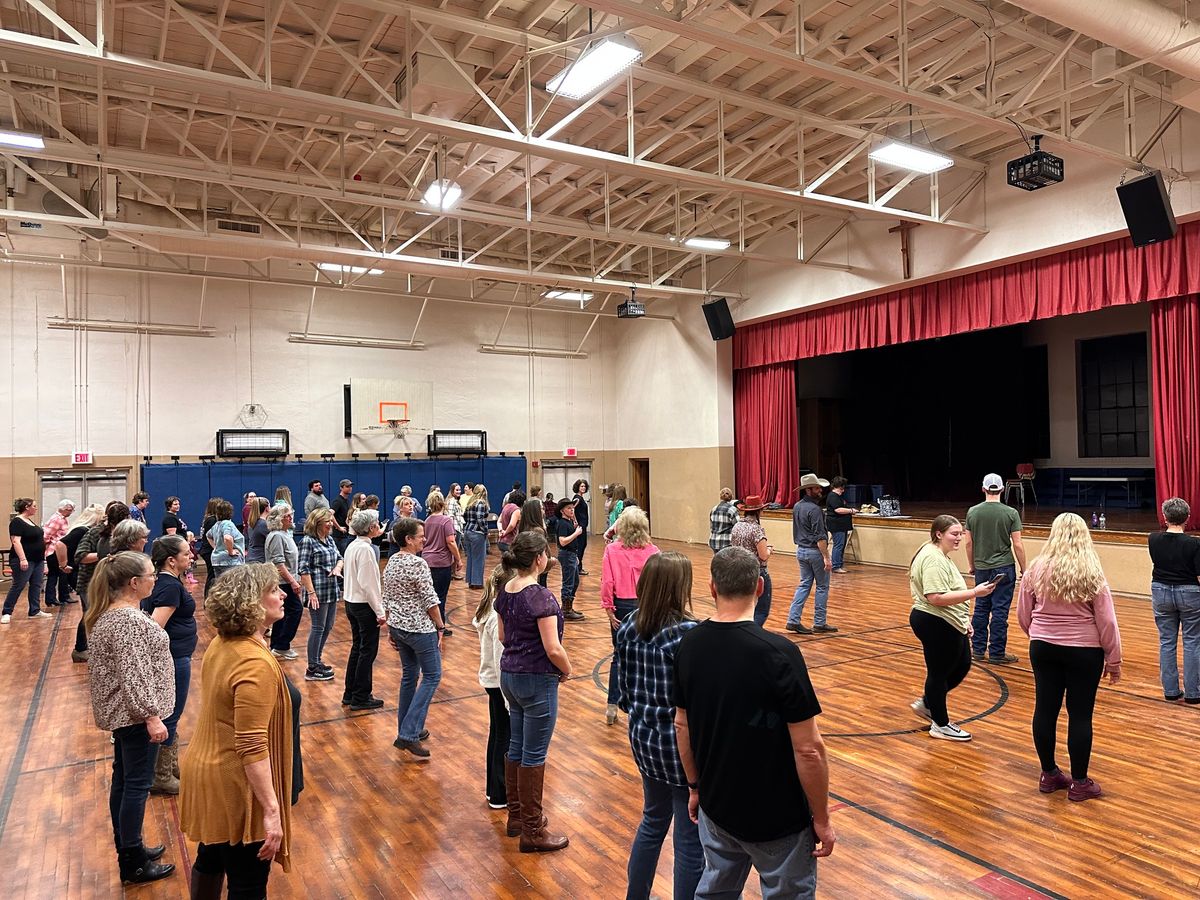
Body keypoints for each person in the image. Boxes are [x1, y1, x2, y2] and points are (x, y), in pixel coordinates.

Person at [673, 547, 834, 898]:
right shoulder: (779, 653)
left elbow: (681, 726)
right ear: (759, 587)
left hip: (716, 807)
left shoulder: (689, 644)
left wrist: (695, 787)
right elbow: (808, 749)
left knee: (715, 890)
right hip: (778, 818)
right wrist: (821, 818)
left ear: (712, 587)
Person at [180, 563, 301, 898]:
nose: (282, 594)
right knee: (247, 883)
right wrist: (272, 810)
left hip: (207, 769)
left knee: (212, 857)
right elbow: (251, 745)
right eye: (273, 590)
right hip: (235, 783)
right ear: (252, 602)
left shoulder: (222, 643)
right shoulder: (253, 661)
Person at [85, 551, 176, 885]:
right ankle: (133, 859)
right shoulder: (127, 621)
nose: (156, 579)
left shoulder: (116, 614)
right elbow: (134, 673)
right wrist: (151, 715)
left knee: (124, 780)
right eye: (151, 575)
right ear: (134, 583)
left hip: (128, 716)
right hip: (136, 717)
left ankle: (129, 845)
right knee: (135, 785)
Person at [1018, 512, 1122, 801]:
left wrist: (1040, 635)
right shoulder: (1091, 571)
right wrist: (1114, 659)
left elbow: (1023, 615)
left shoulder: (1035, 568)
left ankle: (1049, 774)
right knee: (1080, 715)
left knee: (1045, 709)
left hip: (1043, 648)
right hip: (1084, 652)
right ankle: (1079, 783)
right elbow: (1107, 622)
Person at [616, 551, 702, 900]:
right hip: (679, 747)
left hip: (643, 738)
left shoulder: (627, 627)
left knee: (652, 821)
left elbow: (624, 692)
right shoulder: (687, 634)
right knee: (689, 839)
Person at [495, 531, 572, 853]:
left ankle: (516, 819)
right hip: (537, 679)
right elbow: (553, 648)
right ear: (539, 559)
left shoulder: (506, 591)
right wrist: (566, 670)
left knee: (516, 745)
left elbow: (501, 637)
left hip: (509, 675)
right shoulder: (540, 597)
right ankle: (533, 831)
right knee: (534, 753)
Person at [909, 515, 997, 742]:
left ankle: (929, 702)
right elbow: (935, 597)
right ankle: (940, 723)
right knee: (938, 673)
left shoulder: (938, 553)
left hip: (948, 620)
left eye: (961, 533)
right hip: (934, 621)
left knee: (962, 664)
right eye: (954, 534)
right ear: (939, 534)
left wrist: (963, 618)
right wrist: (975, 593)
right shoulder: (933, 559)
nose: (959, 538)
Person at [383, 517, 445, 759]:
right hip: (420, 629)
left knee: (410, 675)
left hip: (400, 627)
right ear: (408, 539)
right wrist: (440, 626)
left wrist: (391, 628)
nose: (424, 539)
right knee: (432, 676)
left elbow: (387, 597)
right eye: (420, 536)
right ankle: (409, 733)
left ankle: (408, 728)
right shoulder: (418, 564)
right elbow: (430, 600)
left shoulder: (391, 562)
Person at [142, 535, 197, 796]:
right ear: (172, 561)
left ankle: (170, 767)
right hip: (173, 659)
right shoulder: (169, 587)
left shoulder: (169, 583)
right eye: (187, 554)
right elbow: (154, 628)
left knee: (173, 714)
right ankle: (160, 775)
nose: (192, 557)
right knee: (170, 715)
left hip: (178, 655)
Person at [601, 507, 660, 726]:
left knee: (619, 655)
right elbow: (658, 583)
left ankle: (612, 706)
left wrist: (608, 608)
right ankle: (643, 703)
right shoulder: (654, 551)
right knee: (647, 654)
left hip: (622, 606)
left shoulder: (612, 551)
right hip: (646, 604)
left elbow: (607, 582)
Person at [965, 473, 1026, 664]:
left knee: (981, 608)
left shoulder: (972, 512)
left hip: (982, 567)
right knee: (1000, 611)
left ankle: (977, 650)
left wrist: (972, 565)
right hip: (1004, 568)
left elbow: (968, 543)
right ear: (1001, 490)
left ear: (983, 489)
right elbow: (1017, 544)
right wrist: (1025, 568)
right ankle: (997, 653)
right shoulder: (1011, 513)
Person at [1148, 497, 1200, 704]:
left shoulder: (1153, 538)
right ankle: (1194, 693)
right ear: (1187, 518)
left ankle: (1170, 690)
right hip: (1189, 592)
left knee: (1167, 641)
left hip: (1160, 590)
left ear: (1165, 517)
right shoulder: (1194, 543)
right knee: (1192, 641)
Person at [72, 502, 131, 661]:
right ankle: (86, 651)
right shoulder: (94, 533)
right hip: (90, 583)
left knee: (99, 617)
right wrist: (104, 555)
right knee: (92, 616)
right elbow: (80, 556)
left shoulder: (123, 535)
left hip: (110, 583)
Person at [473, 564, 510, 811]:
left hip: (492, 682)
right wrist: (509, 699)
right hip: (497, 684)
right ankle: (500, 792)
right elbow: (499, 659)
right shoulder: (497, 618)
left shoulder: (491, 607)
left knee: (497, 734)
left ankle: (493, 791)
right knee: (503, 737)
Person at [343, 509, 386, 710]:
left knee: (357, 648)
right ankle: (361, 696)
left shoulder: (353, 546)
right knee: (367, 651)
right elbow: (369, 584)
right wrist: (380, 612)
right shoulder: (366, 550)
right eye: (377, 524)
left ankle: (350, 693)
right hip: (363, 606)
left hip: (351, 602)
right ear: (371, 528)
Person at [297, 508, 343, 682]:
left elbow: (340, 557)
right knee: (318, 627)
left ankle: (317, 660)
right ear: (317, 523)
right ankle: (312, 667)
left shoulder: (329, 539)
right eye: (328, 522)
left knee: (328, 626)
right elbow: (303, 569)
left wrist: (338, 568)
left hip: (330, 590)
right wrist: (311, 593)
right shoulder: (308, 541)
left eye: (331, 521)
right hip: (317, 592)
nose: (331, 524)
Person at [787, 473, 836, 635]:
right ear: (808, 490)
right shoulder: (814, 510)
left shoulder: (797, 506)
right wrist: (827, 557)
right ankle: (819, 622)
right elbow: (820, 537)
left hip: (801, 550)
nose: (820, 490)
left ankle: (793, 619)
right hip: (815, 552)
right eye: (816, 488)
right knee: (822, 587)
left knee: (804, 585)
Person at [265, 503, 304, 662]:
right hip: (283, 582)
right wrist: (293, 582)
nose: (290, 517)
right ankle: (281, 644)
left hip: (287, 580)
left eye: (290, 514)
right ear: (278, 520)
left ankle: (279, 646)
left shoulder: (285, 534)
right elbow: (279, 563)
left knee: (284, 614)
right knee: (295, 610)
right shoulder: (276, 536)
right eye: (286, 515)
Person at [3, 498, 51, 622]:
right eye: (34, 506)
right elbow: (16, 541)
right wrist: (23, 559)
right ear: (27, 507)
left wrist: (44, 561)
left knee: (36, 584)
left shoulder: (30, 522)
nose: (36, 508)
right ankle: (7, 612)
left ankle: (35, 610)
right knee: (19, 585)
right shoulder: (17, 522)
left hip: (38, 560)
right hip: (24, 559)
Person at [422, 491, 463, 636]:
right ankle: (440, 626)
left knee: (429, 595)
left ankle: (429, 624)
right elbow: (451, 542)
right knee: (440, 596)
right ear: (442, 503)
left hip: (427, 561)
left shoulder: (427, 521)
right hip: (441, 562)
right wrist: (458, 559)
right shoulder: (446, 521)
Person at [730, 494, 772, 626]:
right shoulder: (757, 529)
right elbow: (763, 556)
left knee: (742, 607)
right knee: (761, 610)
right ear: (759, 511)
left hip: (739, 570)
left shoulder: (737, 526)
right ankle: (754, 632)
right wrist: (770, 550)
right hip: (757, 572)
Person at [555, 497, 586, 623]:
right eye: (569, 508)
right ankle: (566, 610)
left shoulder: (568, 522)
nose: (572, 510)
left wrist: (576, 556)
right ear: (562, 511)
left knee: (575, 582)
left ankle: (568, 607)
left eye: (572, 508)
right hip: (566, 554)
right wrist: (576, 533)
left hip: (571, 555)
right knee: (568, 582)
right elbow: (562, 541)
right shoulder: (562, 523)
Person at [42, 499, 75, 608]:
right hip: (54, 551)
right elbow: (46, 536)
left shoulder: (61, 519)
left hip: (56, 551)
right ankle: (54, 598)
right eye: (70, 510)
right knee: (56, 575)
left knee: (58, 575)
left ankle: (58, 597)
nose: (71, 512)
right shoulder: (57, 519)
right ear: (63, 509)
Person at [206, 498, 245, 580]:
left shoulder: (217, 524)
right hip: (230, 561)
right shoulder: (228, 524)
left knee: (221, 586)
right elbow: (227, 538)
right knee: (233, 586)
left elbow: (208, 536)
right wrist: (231, 552)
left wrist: (216, 547)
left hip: (217, 561)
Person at [462, 485, 491, 590]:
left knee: (470, 557)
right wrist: (485, 530)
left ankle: (470, 581)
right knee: (479, 558)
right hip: (477, 533)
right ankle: (477, 582)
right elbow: (480, 518)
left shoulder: (470, 502)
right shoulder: (481, 503)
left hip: (467, 531)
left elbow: (464, 516)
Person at [825, 477, 855, 574]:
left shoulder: (837, 496)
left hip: (841, 525)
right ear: (837, 487)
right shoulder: (833, 496)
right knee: (838, 545)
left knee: (841, 545)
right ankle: (836, 566)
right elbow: (838, 509)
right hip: (837, 525)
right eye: (841, 488)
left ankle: (839, 564)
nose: (843, 490)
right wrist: (851, 511)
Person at [199, 498, 220, 598]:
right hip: (209, 550)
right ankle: (207, 598)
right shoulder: (212, 520)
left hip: (206, 549)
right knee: (211, 575)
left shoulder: (208, 518)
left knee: (211, 574)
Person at [707, 488, 738, 553]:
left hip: (714, 541)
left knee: (717, 561)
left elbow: (711, 526)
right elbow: (737, 526)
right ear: (731, 497)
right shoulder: (732, 509)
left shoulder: (713, 509)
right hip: (726, 542)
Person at [330, 478, 354, 553]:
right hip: (339, 536)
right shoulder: (338, 501)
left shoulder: (347, 501)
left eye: (350, 486)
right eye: (347, 486)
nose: (350, 488)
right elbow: (329, 514)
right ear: (341, 488)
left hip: (346, 534)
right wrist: (339, 527)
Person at [573, 480, 591, 576]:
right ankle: (577, 568)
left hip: (583, 525)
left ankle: (578, 567)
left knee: (582, 545)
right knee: (580, 546)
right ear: (578, 487)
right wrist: (575, 520)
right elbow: (571, 508)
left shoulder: (581, 498)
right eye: (581, 486)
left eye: (584, 486)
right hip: (580, 525)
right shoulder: (577, 498)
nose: (583, 488)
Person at [245, 497, 271, 563]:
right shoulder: (263, 524)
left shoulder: (252, 523)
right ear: (267, 508)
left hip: (251, 558)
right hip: (259, 560)